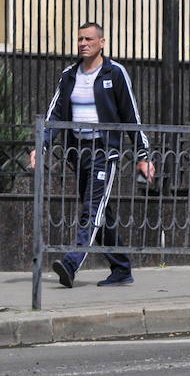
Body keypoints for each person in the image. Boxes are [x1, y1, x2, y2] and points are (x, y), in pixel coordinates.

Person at [29, 22, 155, 287]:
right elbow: (55, 113)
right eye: (80, 39)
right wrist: (41, 145)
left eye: (88, 39)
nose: (83, 44)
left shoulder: (114, 73)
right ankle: (121, 268)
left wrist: (143, 155)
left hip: (104, 151)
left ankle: (71, 264)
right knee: (101, 212)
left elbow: (131, 115)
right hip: (78, 151)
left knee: (92, 208)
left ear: (102, 42)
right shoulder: (69, 75)